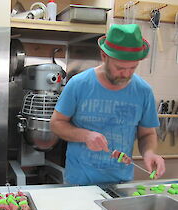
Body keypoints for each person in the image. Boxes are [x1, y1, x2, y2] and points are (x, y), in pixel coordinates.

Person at [50, 23, 165, 186]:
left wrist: (149, 152)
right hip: (79, 182)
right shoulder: (79, 84)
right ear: (104, 56)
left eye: (132, 68)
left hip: (121, 183)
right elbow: (56, 124)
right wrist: (86, 135)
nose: (126, 74)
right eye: (120, 68)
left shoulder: (143, 91)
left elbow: (147, 134)